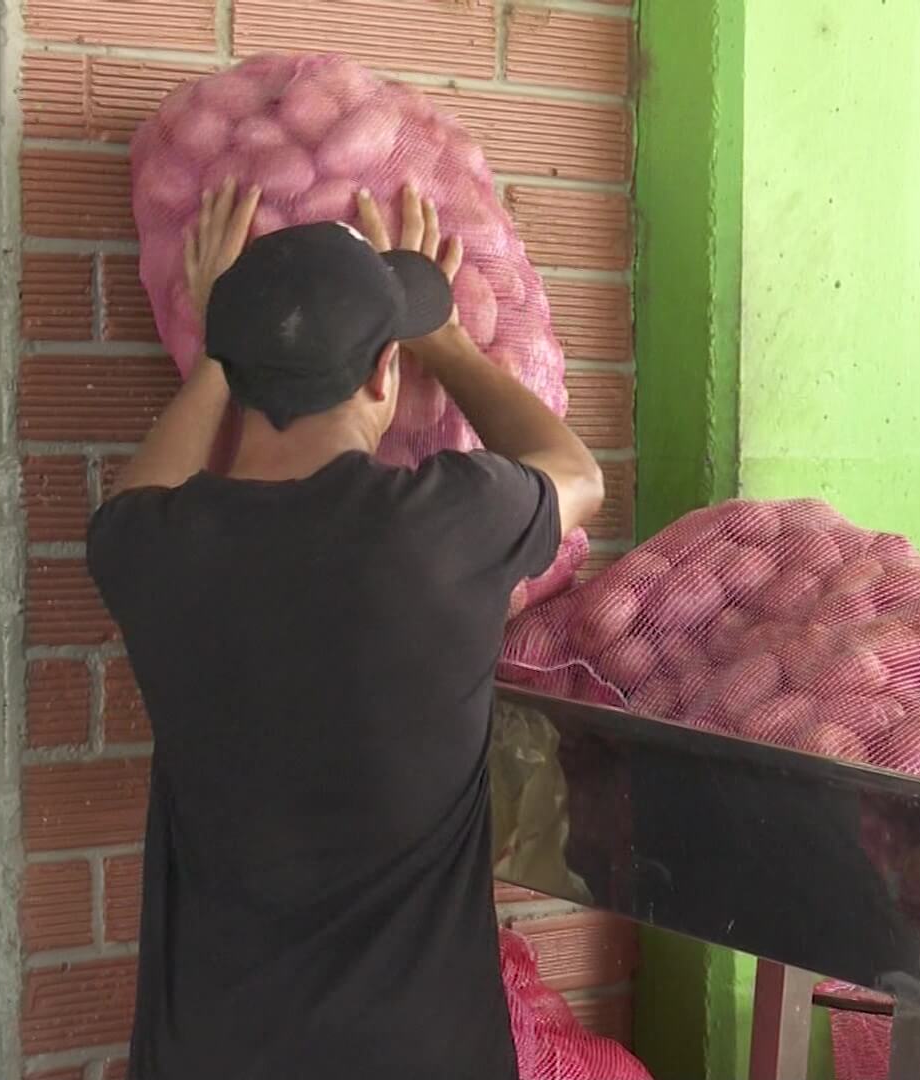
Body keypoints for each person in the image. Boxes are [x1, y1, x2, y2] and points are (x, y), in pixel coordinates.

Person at [86, 178, 604, 1080]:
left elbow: (142, 491)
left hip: (211, 1056)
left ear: (236, 377)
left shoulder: (152, 552)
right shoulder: (446, 528)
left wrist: (224, 350)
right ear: (381, 373)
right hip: (420, 1056)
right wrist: (445, 343)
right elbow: (574, 472)